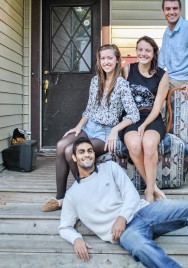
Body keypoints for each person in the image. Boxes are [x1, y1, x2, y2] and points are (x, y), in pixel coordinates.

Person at [59, 137, 188, 267]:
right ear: (74, 157)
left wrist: (122, 217)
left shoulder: (110, 168)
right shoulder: (72, 195)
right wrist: (76, 239)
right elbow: (64, 227)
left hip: (144, 212)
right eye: (81, 152)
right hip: (126, 233)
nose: (87, 155)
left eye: (90, 151)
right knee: (141, 248)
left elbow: (131, 194)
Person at [41, 44, 140, 212]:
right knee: (60, 146)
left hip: (105, 132)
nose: (106, 61)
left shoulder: (122, 84)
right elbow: (89, 109)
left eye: (110, 58)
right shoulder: (96, 81)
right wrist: (78, 127)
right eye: (103, 58)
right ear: (98, 61)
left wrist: (115, 130)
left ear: (117, 60)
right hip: (89, 126)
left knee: (69, 151)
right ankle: (60, 198)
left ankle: (86, 193)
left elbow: (133, 114)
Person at [122, 36, 169, 203]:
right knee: (134, 144)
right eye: (140, 49)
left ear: (154, 53)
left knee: (149, 144)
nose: (143, 53)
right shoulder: (128, 70)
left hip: (152, 118)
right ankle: (153, 187)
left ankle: (148, 194)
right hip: (130, 118)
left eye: (147, 50)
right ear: (136, 51)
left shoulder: (162, 76)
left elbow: (157, 108)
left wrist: (145, 125)